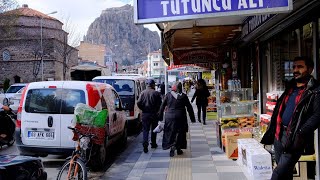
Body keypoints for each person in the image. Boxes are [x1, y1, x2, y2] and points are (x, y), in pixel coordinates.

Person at [261, 56, 320, 180]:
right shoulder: (290, 87)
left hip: (295, 138)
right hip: (279, 134)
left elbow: (317, 115)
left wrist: (301, 133)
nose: (295, 70)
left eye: (300, 67)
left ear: (310, 69)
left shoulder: (315, 90)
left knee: (278, 173)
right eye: (293, 67)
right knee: (285, 173)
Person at [158, 82, 196, 157]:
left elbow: (162, 106)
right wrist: (192, 118)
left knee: (170, 132)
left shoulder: (168, 95)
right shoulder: (184, 96)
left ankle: (171, 146)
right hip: (180, 116)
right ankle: (178, 149)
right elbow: (189, 107)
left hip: (169, 116)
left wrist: (160, 117)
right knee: (180, 132)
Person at [137, 79, 162, 153]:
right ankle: (153, 144)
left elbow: (138, 103)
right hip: (154, 114)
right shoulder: (156, 93)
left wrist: (142, 109)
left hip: (145, 114)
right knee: (154, 130)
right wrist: (158, 111)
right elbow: (160, 105)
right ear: (153, 85)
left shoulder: (143, 93)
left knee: (145, 130)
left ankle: (145, 143)